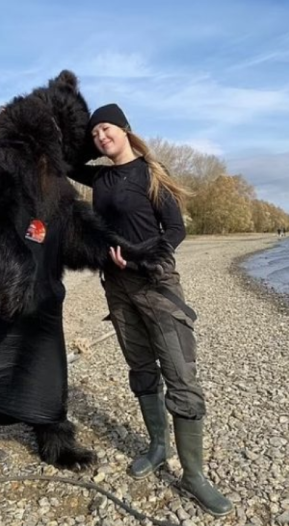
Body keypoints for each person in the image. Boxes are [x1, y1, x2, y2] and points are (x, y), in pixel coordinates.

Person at [70, 104, 232, 516]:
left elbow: (175, 230)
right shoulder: (100, 176)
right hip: (117, 288)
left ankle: (193, 475)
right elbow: (63, 159)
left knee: (181, 377)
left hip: (156, 284)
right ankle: (158, 446)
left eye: (106, 129)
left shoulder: (151, 173)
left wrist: (142, 258)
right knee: (141, 369)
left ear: (124, 129)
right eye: (94, 135)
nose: (100, 138)